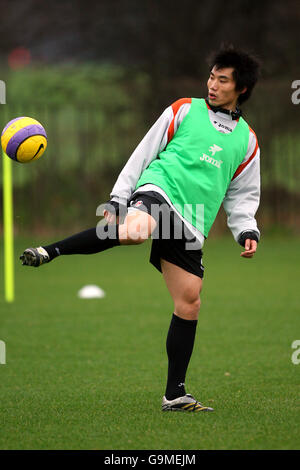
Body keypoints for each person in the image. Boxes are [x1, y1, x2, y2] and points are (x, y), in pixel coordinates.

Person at [20, 45, 261, 413]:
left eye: (222, 80)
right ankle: (50, 251)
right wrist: (119, 197)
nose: (212, 84)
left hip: (192, 220)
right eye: (211, 76)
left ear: (240, 88)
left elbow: (242, 195)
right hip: (158, 190)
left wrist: (246, 229)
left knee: (190, 301)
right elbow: (143, 153)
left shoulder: (247, 141)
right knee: (134, 230)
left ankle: (175, 394)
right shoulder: (184, 109)